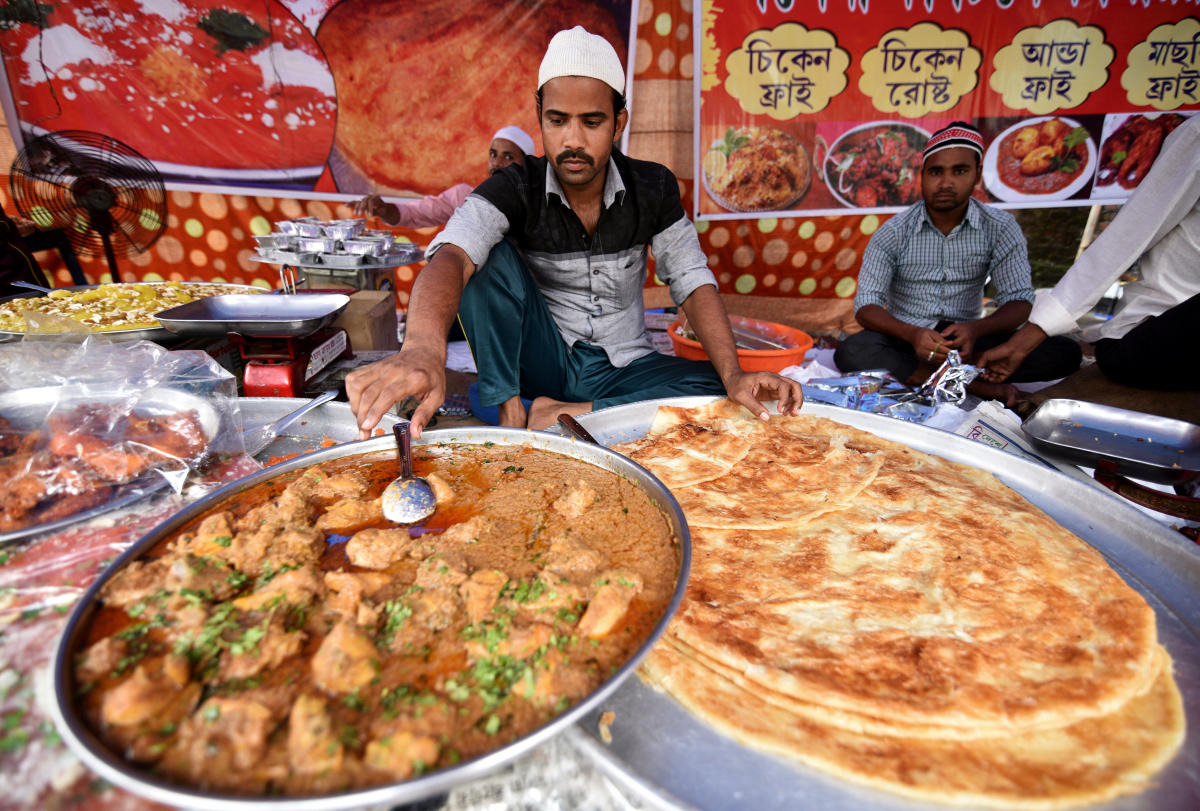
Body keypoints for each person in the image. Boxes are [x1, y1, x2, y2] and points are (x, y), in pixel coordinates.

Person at [346, 26, 803, 437]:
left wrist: (733, 372)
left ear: (618, 123)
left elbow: (691, 279)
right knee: (482, 257)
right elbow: (450, 256)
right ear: (540, 114)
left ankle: (563, 413)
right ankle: (512, 411)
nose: (573, 142)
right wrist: (423, 350)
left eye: (592, 122)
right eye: (558, 120)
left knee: (722, 386)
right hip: (542, 362)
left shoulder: (654, 187)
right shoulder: (513, 188)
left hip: (623, 365)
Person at [833, 121, 1081, 404]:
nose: (946, 182)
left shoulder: (1000, 227)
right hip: (908, 339)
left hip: (971, 341)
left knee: (1065, 352)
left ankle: (935, 373)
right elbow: (866, 307)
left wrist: (976, 329)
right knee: (852, 351)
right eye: (936, 172)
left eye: (959, 171)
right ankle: (971, 384)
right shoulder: (893, 232)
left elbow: (1019, 302)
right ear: (922, 176)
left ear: (976, 175)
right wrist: (913, 334)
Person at [979, 114, 1200, 390]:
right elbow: (1128, 235)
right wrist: (1031, 334)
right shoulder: (1197, 134)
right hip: (1152, 334)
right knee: (1059, 352)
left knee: (1061, 352)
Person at [351, 126, 536, 229]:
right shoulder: (466, 198)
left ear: (525, 165)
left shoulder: (538, 206)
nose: (496, 163)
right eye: (493, 154)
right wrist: (384, 209)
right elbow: (417, 214)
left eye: (508, 157)